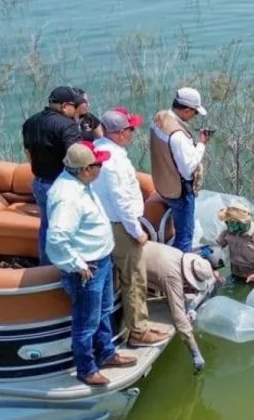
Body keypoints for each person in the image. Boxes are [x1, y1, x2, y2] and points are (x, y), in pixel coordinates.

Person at [46, 141, 136, 386]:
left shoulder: (80, 184)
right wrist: (77, 264)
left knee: (103, 311)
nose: (101, 168)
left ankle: (106, 353)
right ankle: (86, 369)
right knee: (86, 322)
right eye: (99, 165)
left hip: (100, 260)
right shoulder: (68, 197)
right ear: (86, 169)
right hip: (88, 268)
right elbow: (57, 237)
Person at [92, 107, 164, 347]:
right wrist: (136, 231)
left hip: (103, 223)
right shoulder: (114, 161)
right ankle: (139, 331)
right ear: (121, 132)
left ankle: (126, 328)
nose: (133, 133)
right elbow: (121, 200)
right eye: (131, 129)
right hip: (120, 226)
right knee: (134, 279)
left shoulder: (97, 150)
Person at [22, 86, 84, 264]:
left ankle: (46, 268)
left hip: (40, 183)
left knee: (47, 227)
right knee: (70, 229)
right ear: (65, 106)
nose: (76, 110)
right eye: (75, 106)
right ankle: (70, 269)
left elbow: (28, 152)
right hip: (62, 186)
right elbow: (76, 157)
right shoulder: (67, 125)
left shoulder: (30, 122)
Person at [150, 87, 212, 254]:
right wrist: (201, 144)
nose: (195, 116)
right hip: (180, 191)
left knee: (180, 229)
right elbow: (188, 168)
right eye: (195, 112)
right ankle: (181, 264)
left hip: (161, 183)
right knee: (185, 235)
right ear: (187, 110)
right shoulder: (178, 135)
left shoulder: (159, 117)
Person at [142, 240, 218, 373]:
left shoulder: (178, 255)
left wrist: (189, 307)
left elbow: (183, 286)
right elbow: (179, 318)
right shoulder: (172, 277)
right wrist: (195, 352)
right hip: (126, 261)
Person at [215, 203, 254, 284]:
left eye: (231, 223)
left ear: (243, 222)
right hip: (236, 275)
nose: (229, 226)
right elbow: (215, 249)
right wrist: (213, 269)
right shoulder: (227, 232)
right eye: (227, 222)